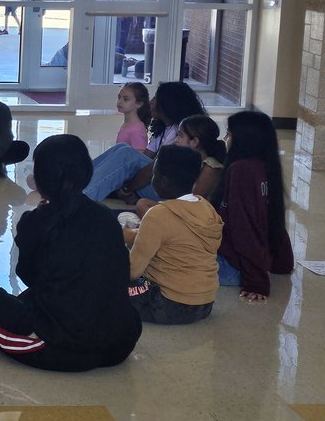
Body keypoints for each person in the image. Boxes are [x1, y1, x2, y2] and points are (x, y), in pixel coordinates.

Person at [0, 135, 142, 371]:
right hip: (120, 342)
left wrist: (30, 226)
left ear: (40, 179)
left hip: (61, 347)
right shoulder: (105, 216)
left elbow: (30, 277)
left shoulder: (37, 222)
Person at [123, 145, 222, 325]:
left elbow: (131, 271)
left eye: (154, 174)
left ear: (163, 181)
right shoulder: (206, 208)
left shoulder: (158, 214)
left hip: (167, 304)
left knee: (107, 282)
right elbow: (179, 240)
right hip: (205, 303)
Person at [212, 110, 294, 302]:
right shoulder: (264, 166)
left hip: (232, 266)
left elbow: (244, 227)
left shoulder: (241, 170)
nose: (225, 138)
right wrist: (281, 262)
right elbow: (271, 219)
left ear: (244, 139)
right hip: (252, 264)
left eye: (229, 133)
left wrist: (256, 282)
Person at [81, 81, 206, 203]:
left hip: (169, 192)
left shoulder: (182, 133)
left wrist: (128, 189)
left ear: (169, 104)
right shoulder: (165, 128)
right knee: (122, 148)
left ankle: (80, 199)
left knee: (126, 154)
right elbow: (143, 159)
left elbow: (153, 168)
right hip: (154, 181)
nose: (151, 102)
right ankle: (78, 182)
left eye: (157, 99)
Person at [134, 114, 226, 219]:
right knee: (143, 203)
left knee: (143, 206)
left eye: (180, 135)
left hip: (191, 216)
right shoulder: (188, 160)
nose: (176, 140)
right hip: (179, 206)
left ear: (195, 142)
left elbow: (191, 201)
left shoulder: (211, 167)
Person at [115, 82, 151, 151]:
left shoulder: (136, 130)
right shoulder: (128, 124)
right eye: (119, 97)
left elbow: (138, 158)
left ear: (139, 104)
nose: (119, 101)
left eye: (126, 99)